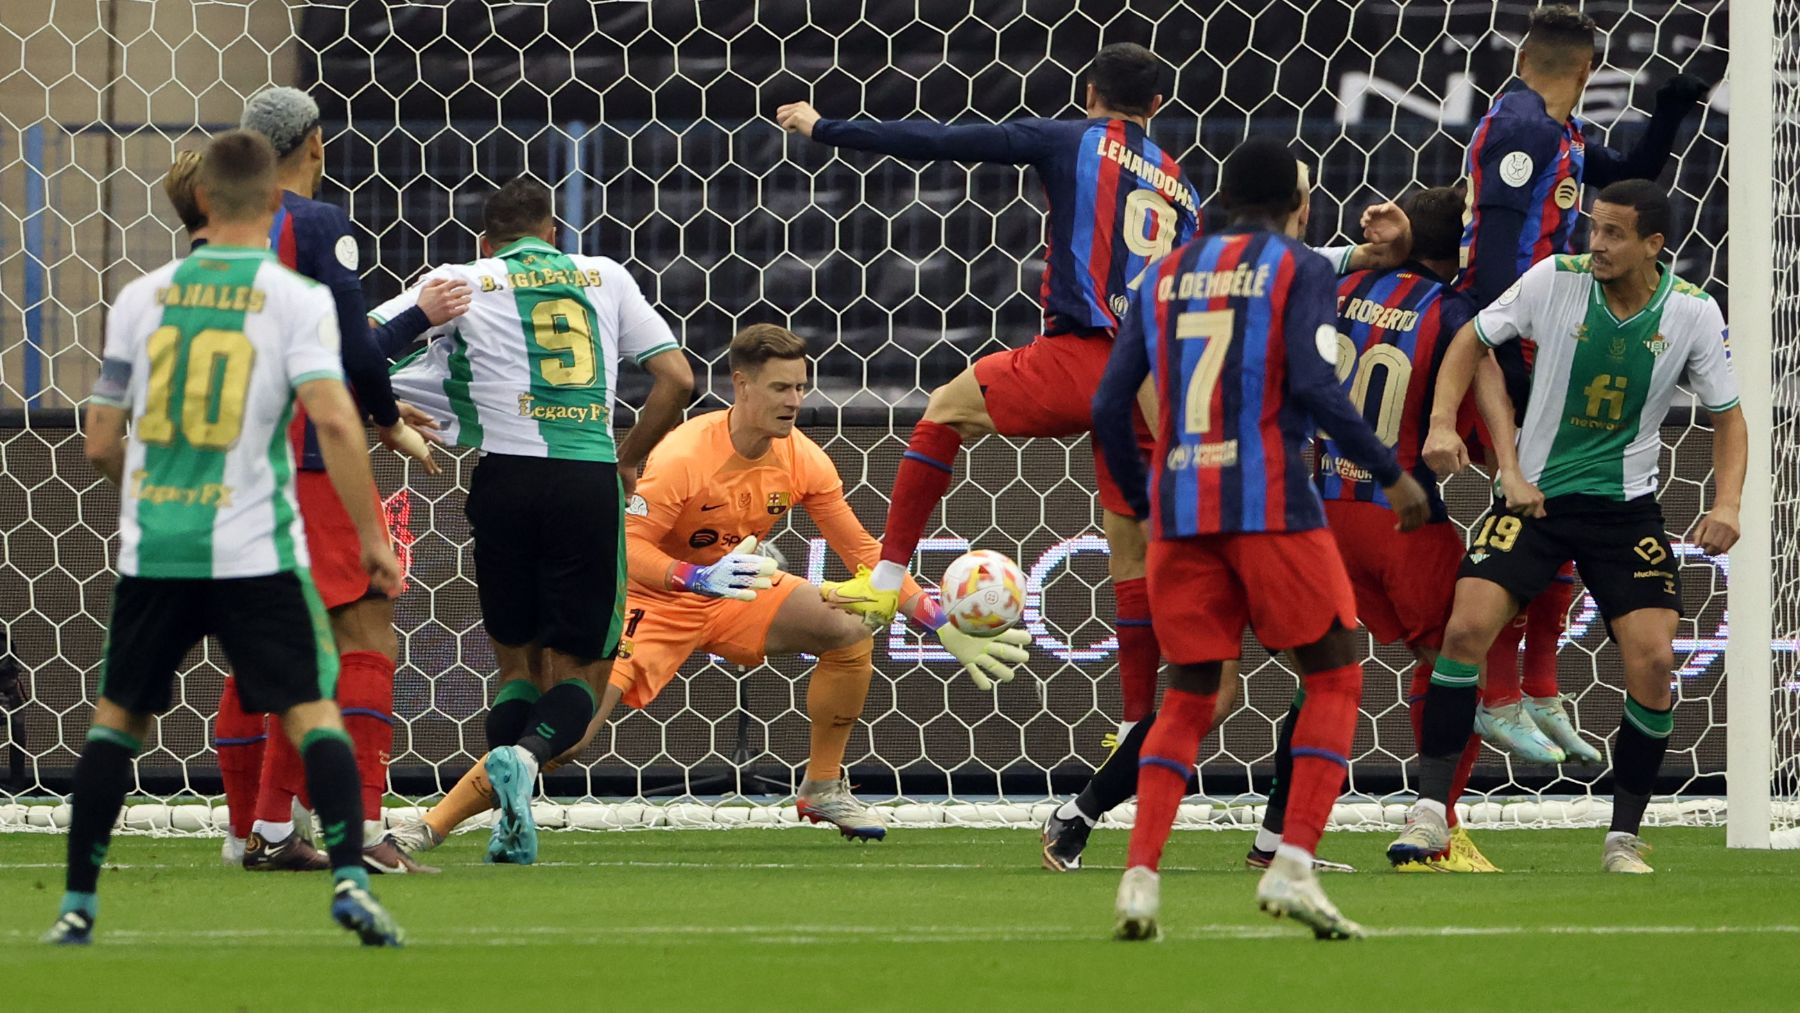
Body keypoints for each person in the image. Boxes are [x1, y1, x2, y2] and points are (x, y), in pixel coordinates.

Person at [382, 325, 1031, 859]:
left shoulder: (805, 458)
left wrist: (935, 616)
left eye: (801, 387)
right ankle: (431, 823)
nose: (794, 400)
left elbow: (867, 555)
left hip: (733, 591)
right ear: (739, 385)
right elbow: (628, 551)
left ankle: (823, 785)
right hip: (653, 597)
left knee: (848, 626)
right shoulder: (683, 455)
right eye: (780, 387)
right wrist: (693, 577)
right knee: (570, 734)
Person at [46, 130, 404, 946]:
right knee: (314, 709)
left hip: (159, 547)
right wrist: (371, 533)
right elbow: (338, 421)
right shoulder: (294, 300)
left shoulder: (141, 297)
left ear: (200, 202)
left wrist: (154, 495)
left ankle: (78, 903)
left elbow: (100, 440)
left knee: (116, 722)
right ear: (275, 201)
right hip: (255, 550)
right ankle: (350, 881)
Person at [1095, 137, 1429, 941]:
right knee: (1337, 674)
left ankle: (1139, 879)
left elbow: (1111, 403)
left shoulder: (1164, 272)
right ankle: (1291, 865)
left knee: (1189, 694)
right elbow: (1316, 385)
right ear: (1295, 204)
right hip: (1273, 503)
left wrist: (1146, 501)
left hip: (1182, 509)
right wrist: (1391, 473)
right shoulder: (1299, 266)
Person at [1391, 179, 1744, 874]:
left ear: (1654, 244)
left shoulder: (1695, 313)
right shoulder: (1555, 279)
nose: (1598, 245)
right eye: (1595, 229)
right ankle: (1431, 811)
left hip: (1624, 510)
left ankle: (1622, 837)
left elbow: (1728, 417)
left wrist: (1726, 503)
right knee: (1465, 628)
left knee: (1655, 660)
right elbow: (1470, 338)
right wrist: (1440, 423)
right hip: (1534, 499)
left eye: (1615, 234)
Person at [164, 134, 468, 871]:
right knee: (363, 631)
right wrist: (388, 410)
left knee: (262, 653)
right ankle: (354, 831)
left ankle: (253, 832)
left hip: (220, 475)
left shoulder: (182, 281)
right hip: (304, 462)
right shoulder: (302, 230)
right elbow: (342, 354)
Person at [384, 176, 695, 864]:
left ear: (487, 242)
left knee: (518, 667)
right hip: (584, 477)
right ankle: (526, 759)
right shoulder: (604, 274)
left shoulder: (464, 277)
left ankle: (505, 798)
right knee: (584, 673)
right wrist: (627, 456)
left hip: (503, 478)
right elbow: (678, 377)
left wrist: (388, 408)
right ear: (553, 233)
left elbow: (360, 341)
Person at [1459, 4, 1711, 763]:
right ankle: (1500, 694)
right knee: (1527, 514)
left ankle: (1536, 687)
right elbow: (1501, 250)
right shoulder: (1522, 129)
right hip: (1506, 347)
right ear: (1590, 68)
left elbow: (1636, 177)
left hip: (1535, 348)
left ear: (1524, 58)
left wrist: (1672, 108)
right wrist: (1504, 352)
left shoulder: (1553, 132)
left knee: (1560, 507)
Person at [1251, 185, 1501, 874]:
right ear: (1458, 247)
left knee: (1322, 675)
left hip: (1320, 504)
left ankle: (1273, 839)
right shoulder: (1455, 314)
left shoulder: (1340, 282)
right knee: (1458, 655)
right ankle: (1438, 827)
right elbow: (1472, 442)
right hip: (1402, 516)